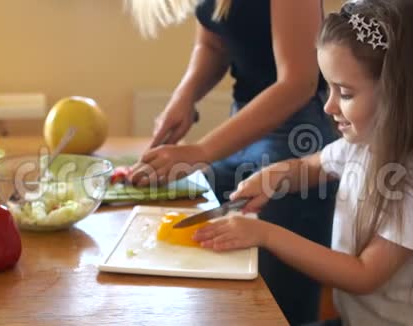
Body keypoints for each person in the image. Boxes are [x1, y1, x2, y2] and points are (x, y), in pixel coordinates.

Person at [193, 0, 413, 325]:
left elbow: (364, 274)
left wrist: (265, 234)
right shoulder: (362, 145)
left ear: (400, 93)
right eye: (328, 87)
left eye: (344, 93)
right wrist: (272, 177)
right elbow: (313, 166)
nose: (328, 106)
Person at [125, 0, 338, 324]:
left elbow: (298, 83)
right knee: (223, 298)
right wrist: (184, 97)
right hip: (242, 125)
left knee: (277, 311)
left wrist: (202, 150)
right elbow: (212, 42)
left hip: (296, 144)